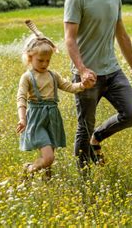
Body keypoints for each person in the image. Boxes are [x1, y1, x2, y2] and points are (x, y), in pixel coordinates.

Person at [64, 0, 132, 169]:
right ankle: (85, 178)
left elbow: (122, 35)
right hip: (88, 76)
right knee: (84, 126)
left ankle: (97, 138)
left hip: (112, 71)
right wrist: (82, 70)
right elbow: (69, 39)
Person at [16, 34, 93, 179]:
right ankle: (29, 168)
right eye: (40, 60)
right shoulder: (27, 77)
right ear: (29, 57)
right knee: (48, 157)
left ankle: (47, 181)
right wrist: (22, 119)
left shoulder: (52, 75)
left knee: (50, 154)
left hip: (52, 117)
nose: (44, 64)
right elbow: (21, 98)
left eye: (47, 60)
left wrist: (83, 85)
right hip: (36, 118)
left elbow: (68, 86)